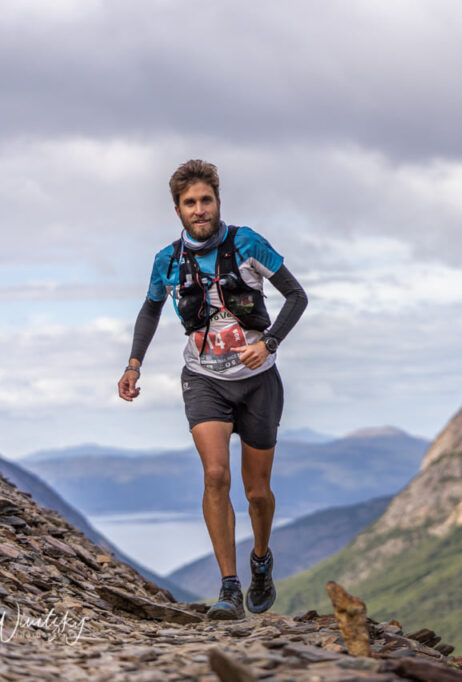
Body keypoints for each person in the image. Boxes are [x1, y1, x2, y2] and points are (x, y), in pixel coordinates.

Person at [117, 160, 307, 620]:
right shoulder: (167, 260)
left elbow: (296, 296)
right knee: (215, 476)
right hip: (203, 379)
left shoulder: (247, 243)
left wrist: (270, 344)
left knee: (257, 491)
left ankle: (260, 559)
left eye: (206, 200)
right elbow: (150, 312)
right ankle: (228, 588)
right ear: (177, 209)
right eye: (190, 203)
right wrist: (133, 364)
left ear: (218, 201)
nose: (199, 210)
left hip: (258, 381)